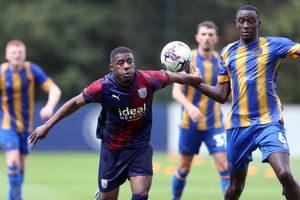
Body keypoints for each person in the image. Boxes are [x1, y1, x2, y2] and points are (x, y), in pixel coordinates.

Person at [28, 46, 202, 200]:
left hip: (139, 146)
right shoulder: (103, 86)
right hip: (113, 150)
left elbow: (170, 76)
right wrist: (47, 125)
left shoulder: (147, 79)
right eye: (120, 63)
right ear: (112, 67)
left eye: (129, 62)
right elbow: (74, 103)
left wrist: (193, 79)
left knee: (141, 193)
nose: (126, 66)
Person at [193, 5, 300, 200]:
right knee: (235, 188)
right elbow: (222, 94)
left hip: (269, 122)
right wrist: (197, 84)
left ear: (258, 24)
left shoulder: (273, 45)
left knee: (285, 174)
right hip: (237, 126)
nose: (246, 25)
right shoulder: (227, 53)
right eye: (241, 21)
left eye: (251, 21)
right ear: (236, 24)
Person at [171, 21, 229, 199]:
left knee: (225, 166)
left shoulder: (222, 60)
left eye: (210, 35)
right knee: (184, 167)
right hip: (191, 124)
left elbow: (228, 91)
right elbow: (176, 92)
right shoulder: (187, 60)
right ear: (197, 37)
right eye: (203, 34)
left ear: (216, 38)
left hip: (215, 124)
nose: (207, 38)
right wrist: (190, 107)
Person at [0, 40, 61, 200]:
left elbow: (54, 89)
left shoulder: (31, 70)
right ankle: (18, 197)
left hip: (27, 127)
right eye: (13, 52)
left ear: (24, 55)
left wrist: (49, 107)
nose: (17, 55)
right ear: (7, 55)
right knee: (12, 161)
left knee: (20, 169)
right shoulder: (1, 72)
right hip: (7, 125)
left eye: (20, 52)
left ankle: (12, 197)